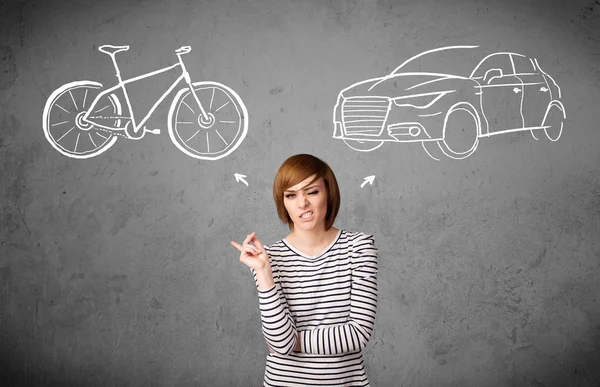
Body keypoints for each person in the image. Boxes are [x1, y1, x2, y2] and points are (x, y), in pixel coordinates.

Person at [231, 154, 378, 386]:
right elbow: (279, 343)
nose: (302, 204)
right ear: (284, 202)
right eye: (291, 195)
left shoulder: (358, 247)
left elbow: (358, 334)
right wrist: (264, 273)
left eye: (312, 191)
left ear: (328, 192)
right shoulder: (268, 258)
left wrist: (294, 342)